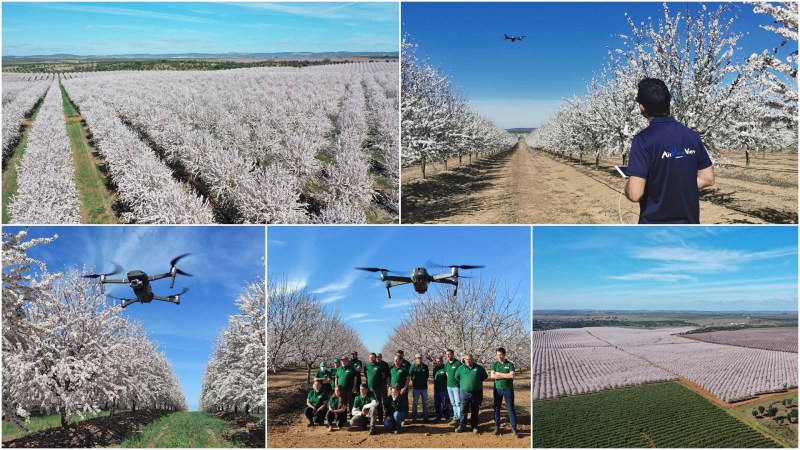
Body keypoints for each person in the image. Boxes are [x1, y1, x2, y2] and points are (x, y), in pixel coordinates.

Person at [624, 77, 715, 224]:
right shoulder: (692, 136)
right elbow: (707, 178)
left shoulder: (643, 140)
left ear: (642, 107)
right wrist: (680, 184)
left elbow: (635, 194)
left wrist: (629, 187)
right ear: (668, 103)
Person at [454, 353, 488, 434]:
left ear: (473, 360)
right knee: (463, 410)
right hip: (464, 393)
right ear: (464, 360)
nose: (468, 361)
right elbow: (457, 377)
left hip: (477, 393)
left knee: (475, 410)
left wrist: (475, 383)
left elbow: (484, 377)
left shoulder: (479, 368)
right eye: (466, 359)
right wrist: (465, 384)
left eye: (470, 359)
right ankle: (462, 426)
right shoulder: (460, 368)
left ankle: (474, 426)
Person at [490, 347, 520, 438]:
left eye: (501, 355)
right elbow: (492, 376)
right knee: (497, 408)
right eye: (497, 355)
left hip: (508, 389)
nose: (499, 356)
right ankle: (497, 426)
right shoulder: (494, 364)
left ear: (504, 354)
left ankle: (514, 428)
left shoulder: (510, 364)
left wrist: (499, 374)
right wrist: (505, 375)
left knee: (511, 409)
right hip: (497, 389)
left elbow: (511, 376)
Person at [364, 352, 389, 421]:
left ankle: (380, 417)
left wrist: (378, 381)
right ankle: (369, 418)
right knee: (369, 402)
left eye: (372, 357)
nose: (371, 358)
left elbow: (383, 376)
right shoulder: (367, 365)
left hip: (378, 387)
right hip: (369, 388)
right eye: (370, 357)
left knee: (378, 402)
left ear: (375, 358)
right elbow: (366, 375)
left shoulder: (379, 365)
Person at [444, 348, 463, 425]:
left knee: (458, 403)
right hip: (449, 386)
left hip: (456, 386)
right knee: (453, 403)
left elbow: (462, 374)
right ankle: (455, 417)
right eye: (447, 354)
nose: (448, 356)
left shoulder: (458, 363)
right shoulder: (447, 364)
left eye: (449, 354)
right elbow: (447, 373)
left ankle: (459, 418)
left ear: (453, 354)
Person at [409, 354, 430, 421]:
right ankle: (414, 417)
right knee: (415, 403)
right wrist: (412, 380)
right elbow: (409, 374)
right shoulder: (413, 366)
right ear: (415, 359)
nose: (419, 359)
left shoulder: (425, 366)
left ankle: (425, 417)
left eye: (420, 358)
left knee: (425, 403)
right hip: (416, 388)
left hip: (424, 388)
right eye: (417, 358)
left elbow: (427, 375)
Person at [432, 356, 451, 422]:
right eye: (437, 361)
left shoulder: (445, 368)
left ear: (442, 361)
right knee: (437, 404)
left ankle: (447, 417)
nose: (438, 362)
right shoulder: (435, 369)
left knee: (445, 404)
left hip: (444, 390)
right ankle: (438, 417)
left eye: (439, 361)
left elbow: (448, 377)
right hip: (436, 390)